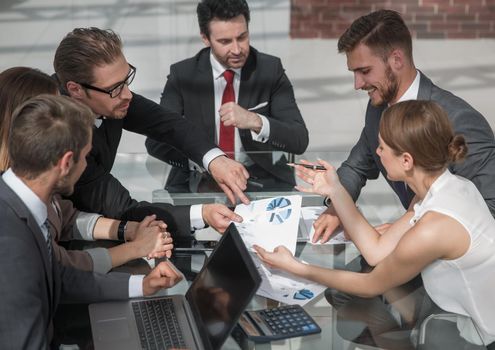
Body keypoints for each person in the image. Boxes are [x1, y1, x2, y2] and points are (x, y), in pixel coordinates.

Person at [255, 100, 495, 348]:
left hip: (478, 336)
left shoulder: (433, 229)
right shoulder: (444, 187)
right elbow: (376, 251)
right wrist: (335, 190)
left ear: (406, 161)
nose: (377, 153)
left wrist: (296, 267)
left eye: (382, 147)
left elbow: (370, 286)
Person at [0, 94, 182, 348]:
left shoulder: (18, 205)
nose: (86, 165)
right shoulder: (10, 244)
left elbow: (58, 278)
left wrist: (142, 284)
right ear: (65, 163)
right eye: (85, 156)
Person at [312, 9, 495, 243]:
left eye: (365, 71)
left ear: (397, 60)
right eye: (354, 72)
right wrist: (336, 207)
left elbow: (490, 210)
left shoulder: (459, 119)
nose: (357, 84)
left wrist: (412, 231)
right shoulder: (377, 109)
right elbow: (356, 167)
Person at [53, 27, 245, 241]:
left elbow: (166, 123)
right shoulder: (62, 138)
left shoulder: (111, 95)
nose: (127, 94)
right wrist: (203, 214)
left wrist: (215, 159)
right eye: (115, 88)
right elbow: (123, 210)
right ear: (76, 90)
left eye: (127, 79)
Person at [0, 66, 177, 273]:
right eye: (56, 109)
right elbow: (59, 266)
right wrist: (135, 248)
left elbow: (66, 217)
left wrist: (128, 230)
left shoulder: (29, 176)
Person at [145, 0, 308, 193]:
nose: (237, 49)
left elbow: (299, 139)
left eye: (242, 37)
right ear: (205, 38)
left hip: (260, 178)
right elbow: (155, 141)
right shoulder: (183, 75)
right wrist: (209, 162)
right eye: (225, 41)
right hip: (200, 178)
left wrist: (255, 120)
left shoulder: (270, 70)